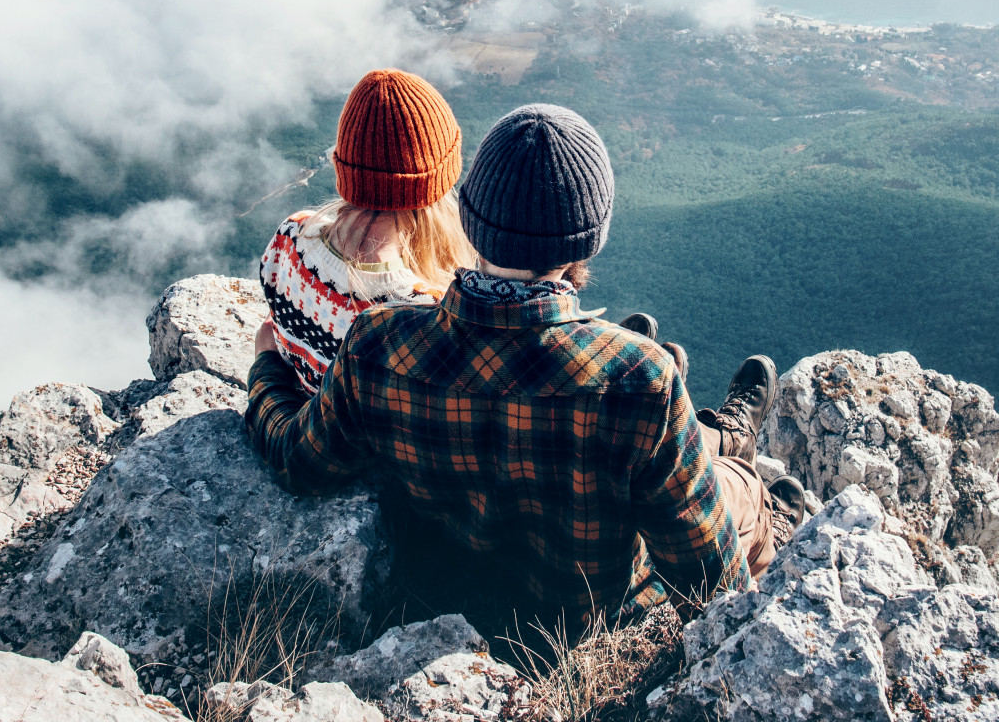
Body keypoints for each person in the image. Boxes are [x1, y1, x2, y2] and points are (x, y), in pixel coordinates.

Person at [245, 103, 818, 629]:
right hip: (588, 623)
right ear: (586, 242)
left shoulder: (377, 344)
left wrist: (267, 369)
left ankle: (720, 441)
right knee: (736, 489)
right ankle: (778, 520)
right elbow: (708, 583)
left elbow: (299, 459)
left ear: (469, 216)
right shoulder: (641, 379)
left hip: (448, 602)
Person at [259, 69, 476, 389]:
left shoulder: (291, 236)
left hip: (302, 414)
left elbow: (273, 329)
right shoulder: (429, 310)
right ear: (436, 185)